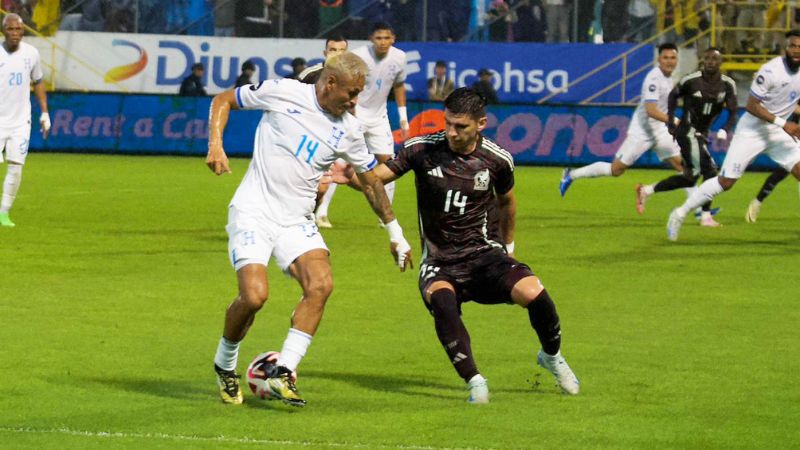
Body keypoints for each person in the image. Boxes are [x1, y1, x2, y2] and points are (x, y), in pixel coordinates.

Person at [341, 88, 580, 402]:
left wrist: (508, 247)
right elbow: (376, 179)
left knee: (535, 293)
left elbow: (507, 203)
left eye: (460, 126)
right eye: (448, 123)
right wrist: (352, 178)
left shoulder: (497, 160)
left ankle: (551, 355)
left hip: (484, 254)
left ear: (481, 123)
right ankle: (475, 382)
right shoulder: (421, 148)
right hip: (439, 260)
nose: (451, 132)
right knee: (442, 302)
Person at [205, 52, 413, 407]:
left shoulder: (349, 128)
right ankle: (225, 365)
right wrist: (216, 144)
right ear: (330, 83)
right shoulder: (284, 92)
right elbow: (224, 99)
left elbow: (372, 183)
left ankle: (283, 371)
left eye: (360, 93)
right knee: (254, 297)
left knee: (321, 285)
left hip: (296, 220)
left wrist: (396, 234)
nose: (355, 101)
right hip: (254, 211)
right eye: (351, 93)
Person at [667, 30, 800, 241]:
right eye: (793, 45)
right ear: (785, 47)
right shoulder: (771, 71)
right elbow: (751, 106)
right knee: (726, 182)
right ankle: (679, 213)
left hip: (779, 132)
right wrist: (784, 123)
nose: (796, 50)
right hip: (753, 131)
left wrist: (786, 124)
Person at [560, 43, 683, 197]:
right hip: (642, 132)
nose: (669, 61)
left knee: (684, 168)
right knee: (616, 170)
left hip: (660, 131)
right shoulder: (654, 79)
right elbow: (650, 111)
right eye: (665, 57)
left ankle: (702, 212)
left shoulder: (670, 78)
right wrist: (675, 121)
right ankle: (571, 175)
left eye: (673, 58)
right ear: (659, 59)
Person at [635, 48, 737, 227]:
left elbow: (733, 111)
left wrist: (726, 128)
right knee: (711, 172)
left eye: (715, 59)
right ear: (703, 60)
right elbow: (673, 96)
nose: (711, 62)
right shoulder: (691, 80)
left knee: (690, 177)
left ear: (721, 62)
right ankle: (705, 216)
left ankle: (648, 190)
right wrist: (671, 121)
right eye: (708, 58)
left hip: (701, 134)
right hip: (687, 131)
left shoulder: (728, 84)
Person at [325, 22, 407, 227]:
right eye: (379, 38)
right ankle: (321, 211)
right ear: (371, 39)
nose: (383, 42)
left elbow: (398, 85)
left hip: (379, 117)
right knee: (337, 160)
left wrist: (403, 116)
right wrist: (349, 111)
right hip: (356, 114)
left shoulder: (400, 57)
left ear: (393, 39)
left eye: (386, 38)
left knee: (389, 163)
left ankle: (384, 215)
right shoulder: (359, 55)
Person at [0, 13, 50, 228]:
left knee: (16, 166)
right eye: (10, 29)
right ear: (3, 31)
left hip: (21, 121)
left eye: (19, 29)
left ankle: (3, 214)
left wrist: (45, 112)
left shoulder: (32, 53)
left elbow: (38, 81)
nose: (15, 33)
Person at [298, 36, 348, 228]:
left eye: (341, 50)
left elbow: (350, 107)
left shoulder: (350, 78)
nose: (337, 54)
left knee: (322, 186)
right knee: (305, 185)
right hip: (306, 137)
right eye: (333, 50)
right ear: (325, 53)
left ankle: (312, 216)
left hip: (331, 138)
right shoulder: (310, 75)